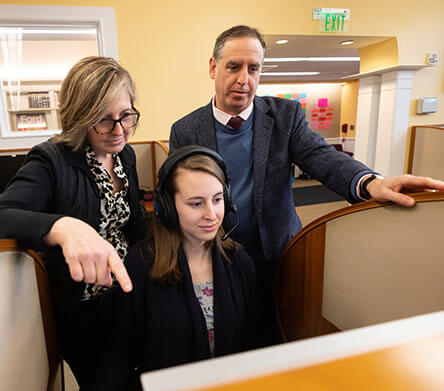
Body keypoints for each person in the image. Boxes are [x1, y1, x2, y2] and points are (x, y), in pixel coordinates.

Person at [169, 25, 444, 342]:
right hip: (218, 259)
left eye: (254, 68)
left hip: (279, 255)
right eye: (233, 67)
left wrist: (370, 183)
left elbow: (320, 157)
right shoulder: (186, 130)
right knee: (231, 341)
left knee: (282, 337)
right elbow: (181, 196)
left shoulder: (285, 116)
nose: (244, 79)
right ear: (213, 67)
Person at [0, 56, 146, 391]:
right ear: (79, 117)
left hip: (127, 298)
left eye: (126, 116)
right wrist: (62, 225)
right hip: (83, 312)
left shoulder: (124, 156)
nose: (118, 130)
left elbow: (134, 230)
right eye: (103, 120)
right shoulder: (51, 160)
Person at [82, 146, 267, 391]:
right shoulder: (141, 264)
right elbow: (120, 352)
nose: (211, 215)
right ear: (167, 207)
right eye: (196, 203)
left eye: (217, 199)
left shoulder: (240, 263)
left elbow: (253, 346)